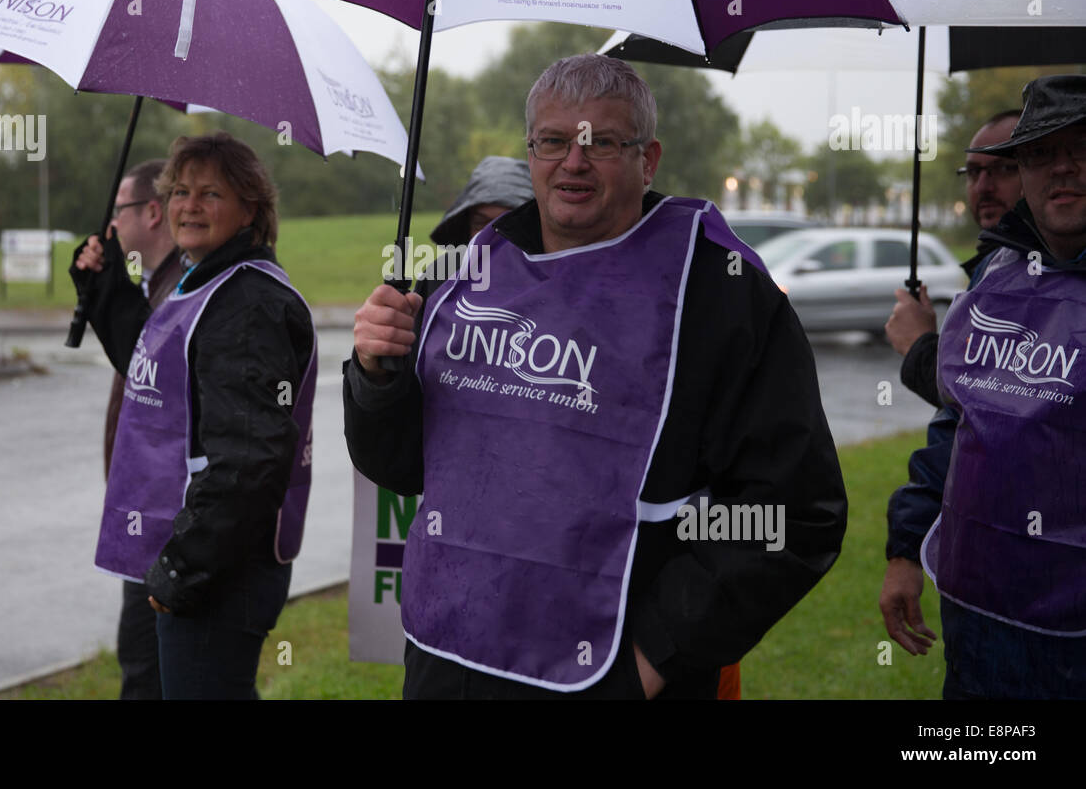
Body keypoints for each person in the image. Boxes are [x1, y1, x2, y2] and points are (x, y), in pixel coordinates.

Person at [345, 54, 847, 699]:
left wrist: (656, 654)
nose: (573, 162)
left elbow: (792, 512)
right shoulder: (458, 273)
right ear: (530, 150)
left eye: (602, 142)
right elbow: (399, 466)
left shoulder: (720, 291)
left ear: (649, 158)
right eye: (552, 141)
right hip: (449, 659)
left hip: (612, 671)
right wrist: (374, 375)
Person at [71, 132, 317, 699]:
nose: (189, 205)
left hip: (218, 569)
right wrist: (104, 285)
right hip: (189, 553)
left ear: (250, 208)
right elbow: (153, 361)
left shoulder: (249, 304)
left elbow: (250, 460)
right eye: (180, 191)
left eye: (211, 193)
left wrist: (183, 568)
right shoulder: (203, 285)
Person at [879, 74, 1086, 698]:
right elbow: (963, 425)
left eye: (1080, 148)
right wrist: (905, 548)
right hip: (979, 618)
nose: (1061, 170)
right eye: (1040, 154)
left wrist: (918, 347)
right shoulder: (994, 276)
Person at [100, 159, 183, 700]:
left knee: (149, 673)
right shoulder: (160, 284)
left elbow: (158, 387)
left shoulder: (183, 289)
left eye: (119, 211)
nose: (110, 226)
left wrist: (108, 289)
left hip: (163, 522)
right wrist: (107, 285)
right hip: (148, 514)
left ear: (151, 213)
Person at [884, 110, 1022, 407]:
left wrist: (918, 345)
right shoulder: (995, 261)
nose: (983, 187)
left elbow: (989, 402)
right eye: (973, 172)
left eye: (1004, 169)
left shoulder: (1034, 271)